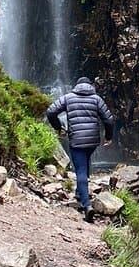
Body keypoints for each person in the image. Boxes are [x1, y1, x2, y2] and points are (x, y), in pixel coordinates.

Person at [46, 77, 114, 221]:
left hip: (76, 139)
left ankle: (86, 205)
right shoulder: (96, 99)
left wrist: (58, 127)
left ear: (77, 86)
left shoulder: (68, 98)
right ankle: (79, 192)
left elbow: (51, 112)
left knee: (81, 170)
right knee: (85, 162)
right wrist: (108, 136)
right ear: (90, 86)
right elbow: (108, 119)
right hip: (92, 141)